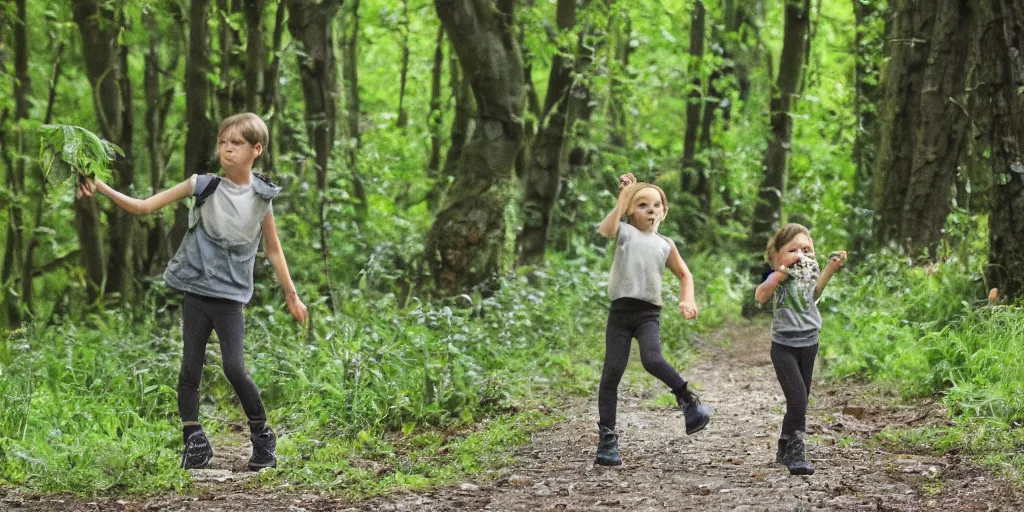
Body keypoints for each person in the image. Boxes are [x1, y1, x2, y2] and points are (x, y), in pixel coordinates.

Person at [77, 112, 308, 471]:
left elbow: (273, 250)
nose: (227, 149)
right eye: (222, 142)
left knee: (234, 367)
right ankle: (194, 441)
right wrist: (100, 186)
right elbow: (144, 207)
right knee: (190, 369)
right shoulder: (203, 185)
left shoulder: (262, 197)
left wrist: (292, 295)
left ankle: (263, 438)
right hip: (197, 292)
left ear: (256, 149)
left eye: (236, 143)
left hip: (231, 298)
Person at [592, 173, 712, 467]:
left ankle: (688, 400)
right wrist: (622, 198)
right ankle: (607, 439)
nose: (651, 210)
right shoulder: (624, 232)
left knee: (653, 359)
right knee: (611, 375)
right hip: (621, 313)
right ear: (631, 211)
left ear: (664, 211)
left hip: (648, 314)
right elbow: (604, 230)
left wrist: (688, 298)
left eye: (656, 205)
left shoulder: (665, 244)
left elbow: (685, 274)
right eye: (642, 205)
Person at [754, 223, 846, 475]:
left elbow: (815, 292)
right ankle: (797, 449)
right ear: (775, 256)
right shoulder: (775, 275)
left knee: (800, 398)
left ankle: (784, 442)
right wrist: (777, 276)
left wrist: (831, 267)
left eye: (807, 249)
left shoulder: (807, 274)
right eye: (792, 250)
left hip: (809, 343)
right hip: (784, 346)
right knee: (798, 398)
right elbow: (761, 296)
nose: (801, 255)